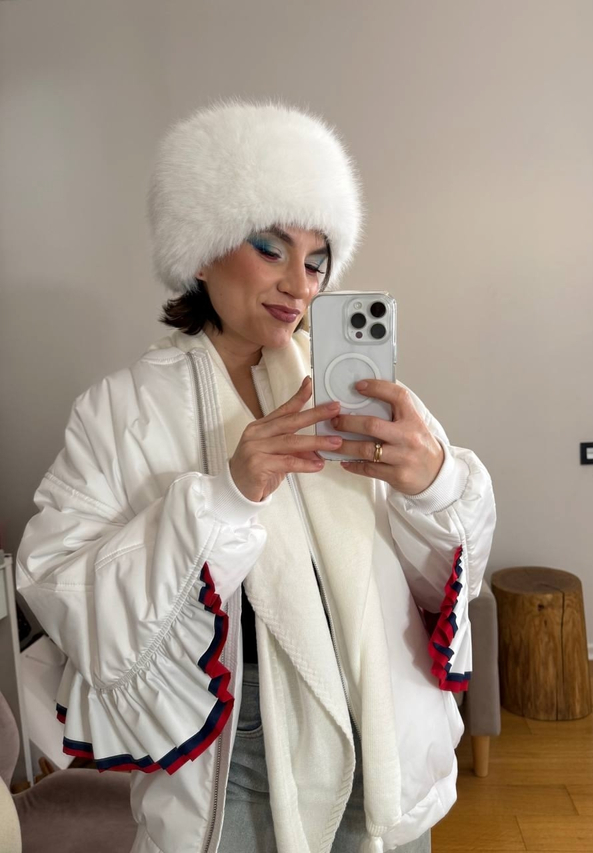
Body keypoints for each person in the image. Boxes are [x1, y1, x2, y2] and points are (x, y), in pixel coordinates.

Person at [16, 101, 496, 853]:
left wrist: (433, 484)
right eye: (270, 248)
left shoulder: (353, 391)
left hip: (384, 745)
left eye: (317, 260)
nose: (299, 283)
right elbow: (60, 589)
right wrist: (224, 497)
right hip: (228, 762)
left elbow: (450, 582)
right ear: (202, 252)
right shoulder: (122, 410)